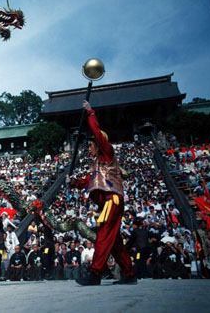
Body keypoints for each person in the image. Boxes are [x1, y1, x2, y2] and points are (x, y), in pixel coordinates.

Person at [74, 101, 136, 286]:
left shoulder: (107, 154)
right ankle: (129, 273)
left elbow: (98, 135)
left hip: (112, 200)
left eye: (91, 145)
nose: (89, 148)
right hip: (108, 202)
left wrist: (90, 112)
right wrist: (73, 182)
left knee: (103, 235)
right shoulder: (97, 166)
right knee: (114, 242)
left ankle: (95, 273)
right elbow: (86, 182)